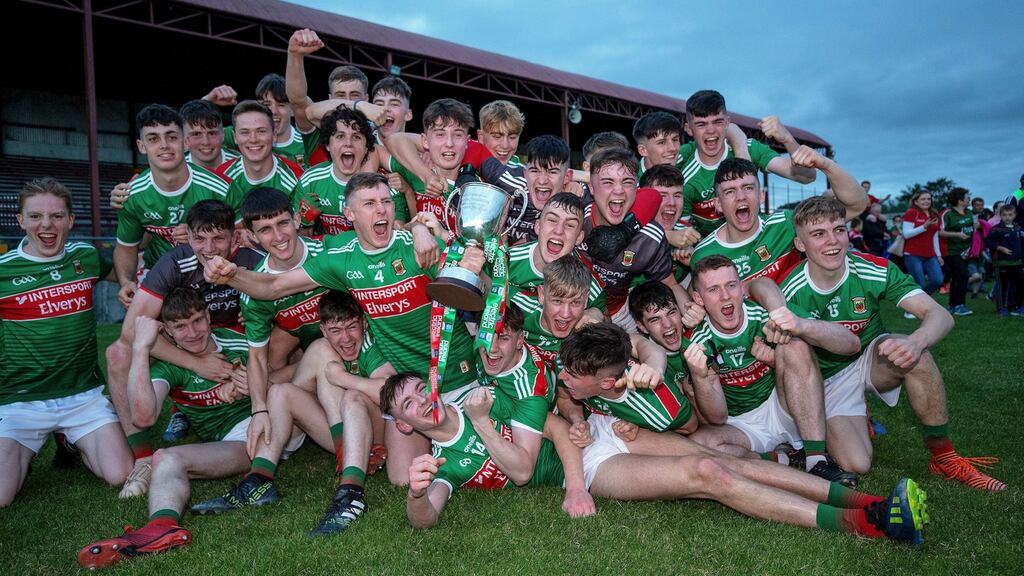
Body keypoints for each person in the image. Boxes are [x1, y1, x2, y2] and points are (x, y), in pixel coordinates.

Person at [204, 172, 483, 484]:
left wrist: (430, 232)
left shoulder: (416, 248)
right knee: (402, 480)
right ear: (349, 215)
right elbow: (272, 286)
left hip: (455, 375)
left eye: (385, 202)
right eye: (369, 204)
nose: (381, 210)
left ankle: (438, 435)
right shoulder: (341, 259)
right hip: (400, 383)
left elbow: (476, 292)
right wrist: (232, 275)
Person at [533, 323, 926, 544]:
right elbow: (560, 404)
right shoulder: (572, 371)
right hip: (595, 461)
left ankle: (871, 500)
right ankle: (867, 523)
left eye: (572, 374)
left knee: (727, 461)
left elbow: (642, 352)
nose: (562, 375)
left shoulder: (633, 389)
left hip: (614, 430)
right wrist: (575, 415)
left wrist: (602, 407)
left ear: (606, 384)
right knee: (708, 472)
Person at [779, 195, 1006, 490]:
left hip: (868, 359)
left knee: (917, 355)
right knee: (856, 463)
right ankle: (822, 431)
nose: (832, 241)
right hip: (823, 380)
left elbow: (940, 316)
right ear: (800, 244)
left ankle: (944, 457)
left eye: (838, 229)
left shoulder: (872, 268)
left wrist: (915, 342)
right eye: (818, 234)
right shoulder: (791, 288)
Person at [77, 288, 301, 569]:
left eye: (197, 321)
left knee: (281, 391)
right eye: (180, 327)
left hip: (276, 421)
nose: (192, 332)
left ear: (208, 316)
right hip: (236, 443)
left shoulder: (237, 340)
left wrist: (258, 384)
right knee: (166, 458)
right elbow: (143, 418)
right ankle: (161, 527)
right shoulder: (171, 369)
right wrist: (141, 348)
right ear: (168, 332)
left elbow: (297, 367)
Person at [105, 199, 263, 497]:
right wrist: (195, 364)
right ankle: (142, 457)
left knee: (292, 344)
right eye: (200, 238)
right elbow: (131, 330)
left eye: (219, 238)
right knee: (118, 353)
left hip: (239, 337)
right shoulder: (175, 263)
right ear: (188, 237)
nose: (210, 247)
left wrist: (257, 315)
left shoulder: (250, 259)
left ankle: (276, 410)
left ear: (235, 236)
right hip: (191, 335)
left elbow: (282, 311)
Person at [0, 178, 133, 507]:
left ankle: (69, 441)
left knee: (120, 473)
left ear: (71, 221)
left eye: (57, 216)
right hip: (21, 400)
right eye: (35, 216)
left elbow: (128, 266)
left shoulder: (85, 257)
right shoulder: (3, 271)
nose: (46, 224)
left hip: (82, 395)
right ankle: (25, 451)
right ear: (20, 221)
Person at [685, 255, 860, 486]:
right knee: (700, 444)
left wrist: (789, 341)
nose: (726, 296)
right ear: (699, 298)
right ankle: (782, 459)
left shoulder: (765, 314)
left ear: (742, 287)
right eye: (713, 290)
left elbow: (852, 345)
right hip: (741, 426)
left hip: (783, 406)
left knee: (795, 346)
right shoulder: (697, 342)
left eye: (731, 285)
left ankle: (817, 460)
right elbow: (717, 417)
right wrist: (700, 377)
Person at [113, 104, 232, 309]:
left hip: (215, 276)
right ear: (141, 146)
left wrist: (200, 236)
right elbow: (126, 247)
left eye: (171, 136)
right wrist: (125, 281)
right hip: (161, 277)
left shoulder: (220, 187)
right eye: (153, 139)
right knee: (141, 334)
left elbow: (241, 235)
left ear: (185, 142)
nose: (164, 145)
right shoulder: (132, 195)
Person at [690, 153, 867, 284]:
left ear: (762, 196)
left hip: (797, 324)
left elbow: (857, 204)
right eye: (730, 191)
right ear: (718, 204)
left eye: (748, 188)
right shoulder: (704, 253)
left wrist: (826, 165)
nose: (741, 197)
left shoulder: (785, 224)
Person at [677, 90, 816, 237]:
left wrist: (787, 139)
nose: (711, 130)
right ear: (688, 129)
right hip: (715, 255)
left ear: (727, 122)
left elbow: (807, 176)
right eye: (701, 124)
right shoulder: (683, 169)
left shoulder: (749, 148)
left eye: (718, 122)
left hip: (759, 243)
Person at [581, 147, 691, 331]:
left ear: (636, 189)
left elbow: (670, 282)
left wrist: (691, 312)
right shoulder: (577, 214)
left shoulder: (650, 237)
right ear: (591, 188)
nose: (618, 191)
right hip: (571, 306)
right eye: (608, 182)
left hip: (619, 312)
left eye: (626, 182)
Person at [292, 105, 408, 235]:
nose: (348, 143)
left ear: (366, 148)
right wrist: (305, 223)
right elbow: (298, 242)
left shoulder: (385, 186)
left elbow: (397, 237)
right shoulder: (310, 181)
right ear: (327, 145)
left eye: (356, 137)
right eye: (340, 136)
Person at [218, 101, 304, 208]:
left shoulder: (297, 178)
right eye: (245, 132)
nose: (253, 139)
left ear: (274, 135)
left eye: (261, 131)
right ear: (235, 137)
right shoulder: (221, 178)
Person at [938, 187, 976, 316]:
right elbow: (939, 232)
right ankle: (960, 305)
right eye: (967, 197)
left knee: (958, 277)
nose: (969, 199)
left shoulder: (969, 213)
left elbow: (974, 227)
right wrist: (957, 235)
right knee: (963, 275)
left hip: (966, 250)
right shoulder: (947, 213)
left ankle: (953, 305)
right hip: (951, 250)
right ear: (960, 200)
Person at [901, 190, 943, 300]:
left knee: (938, 280)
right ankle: (912, 309)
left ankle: (918, 301)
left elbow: (935, 236)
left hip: (930, 254)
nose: (927, 201)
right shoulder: (911, 212)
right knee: (919, 283)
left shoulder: (934, 214)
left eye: (929, 199)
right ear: (916, 202)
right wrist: (924, 227)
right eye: (923, 199)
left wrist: (938, 255)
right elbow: (906, 234)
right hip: (913, 254)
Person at [986, 203, 1024, 316]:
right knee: (1003, 286)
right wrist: (999, 248)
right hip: (1001, 263)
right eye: (1004, 215)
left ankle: (1017, 306)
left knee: (1019, 284)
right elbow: (988, 242)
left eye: (1010, 214)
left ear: (1015, 215)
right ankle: (1002, 308)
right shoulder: (996, 229)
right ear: (1000, 216)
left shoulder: (1019, 228)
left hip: (1018, 262)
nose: (1007, 217)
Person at [180, 99, 239, 171]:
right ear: (184, 138)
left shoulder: (242, 166)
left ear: (223, 134)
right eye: (196, 134)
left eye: (212, 133)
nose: (206, 142)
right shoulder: (174, 170)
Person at [632, 111, 682, 178]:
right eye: (662, 142)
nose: (673, 148)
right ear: (643, 150)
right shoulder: (632, 184)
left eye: (675, 139)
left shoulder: (683, 158)